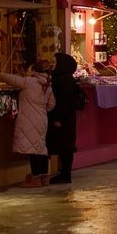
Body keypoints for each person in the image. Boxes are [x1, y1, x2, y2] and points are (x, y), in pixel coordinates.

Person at [0, 61, 56, 188]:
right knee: (40, 147)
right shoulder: (47, 85)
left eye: (29, 68)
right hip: (42, 119)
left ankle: (35, 178)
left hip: (29, 118)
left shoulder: (30, 81)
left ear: (34, 70)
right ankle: (44, 177)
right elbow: (51, 104)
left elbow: (13, 80)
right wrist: (41, 110)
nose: (27, 71)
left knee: (32, 149)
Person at [47, 53, 79, 184]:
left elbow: (63, 101)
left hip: (63, 118)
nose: (52, 64)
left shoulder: (62, 80)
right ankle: (64, 173)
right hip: (68, 117)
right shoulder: (66, 78)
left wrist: (58, 118)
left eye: (54, 61)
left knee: (64, 146)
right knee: (65, 145)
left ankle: (65, 174)